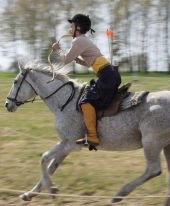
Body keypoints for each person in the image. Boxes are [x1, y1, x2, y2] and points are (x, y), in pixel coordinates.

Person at [52, 14, 121, 146]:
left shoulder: (78, 41)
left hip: (107, 75)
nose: (70, 28)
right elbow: (90, 63)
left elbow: (65, 60)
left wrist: (57, 50)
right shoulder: (83, 41)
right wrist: (78, 60)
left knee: (85, 102)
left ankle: (93, 137)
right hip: (109, 74)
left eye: (72, 25)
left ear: (78, 27)